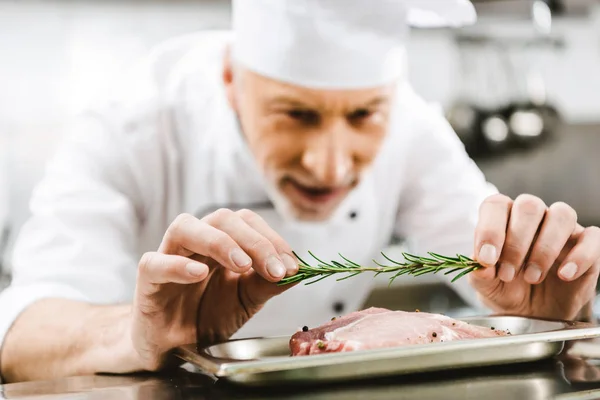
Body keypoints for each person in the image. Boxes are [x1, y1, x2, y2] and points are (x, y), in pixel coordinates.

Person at [1, 0, 598, 383]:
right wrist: (134, 333)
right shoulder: (135, 122)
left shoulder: (408, 123)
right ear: (233, 80)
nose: (331, 164)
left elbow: (497, 262)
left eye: (364, 114)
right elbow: (21, 332)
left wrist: (534, 306)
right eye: (296, 114)